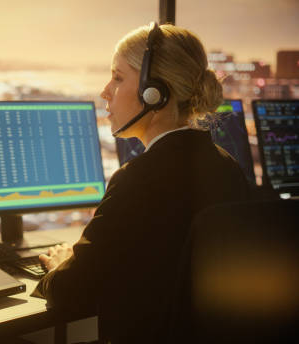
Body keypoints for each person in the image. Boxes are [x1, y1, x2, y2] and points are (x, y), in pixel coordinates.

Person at [34, 23, 251, 343]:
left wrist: (60, 266)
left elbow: (70, 291)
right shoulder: (227, 166)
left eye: (118, 77)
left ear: (156, 93)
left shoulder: (137, 180)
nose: (105, 90)